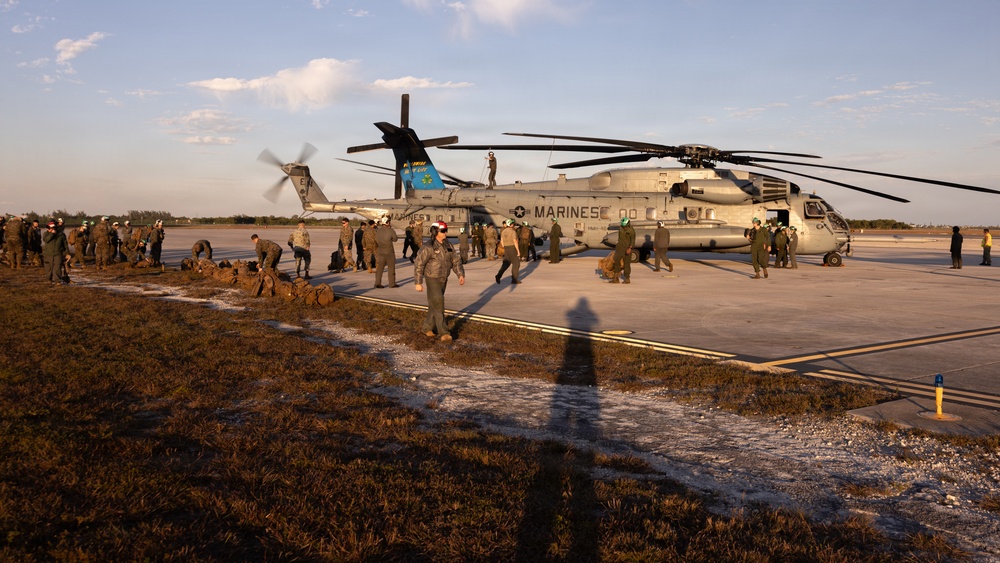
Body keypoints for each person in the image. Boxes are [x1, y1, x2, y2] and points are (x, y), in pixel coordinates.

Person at [414, 221, 465, 342]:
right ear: (435, 231)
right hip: (432, 278)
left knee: (435, 304)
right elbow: (419, 264)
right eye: (443, 231)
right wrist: (418, 282)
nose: (445, 233)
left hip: (443, 278)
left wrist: (460, 274)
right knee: (439, 303)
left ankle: (426, 327)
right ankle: (444, 332)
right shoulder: (428, 247)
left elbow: (456, 261)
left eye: (446, 230)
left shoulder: (448, 245)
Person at [374, 216, 399, 288]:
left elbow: (376, 240)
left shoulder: (378, 231)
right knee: (391, 268)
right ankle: (392, 283)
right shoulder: (390, 230)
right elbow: (395, 239)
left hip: (380, 252)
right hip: (389, 252)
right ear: (387, 223)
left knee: (379, 269)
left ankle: (377, 283)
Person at [495, 219, 522, 285]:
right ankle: (514, 279)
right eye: (513, 224)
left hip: (506, 248)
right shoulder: (513, 232)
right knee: (516, 264)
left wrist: (505, 247)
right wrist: (518, 251)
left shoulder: (503, 231)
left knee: (506, 264)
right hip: (512, 248)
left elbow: (501, 241)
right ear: (510, 224)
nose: (513, 225)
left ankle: (498, 275)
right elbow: (515, 241)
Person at [611, 217, 635, 284]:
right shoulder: (621, 228)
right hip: (619, 248)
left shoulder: (631, 231)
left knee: (627, 264)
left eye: (624, 225)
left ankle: (627, 278)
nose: (623, 226)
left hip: (627, 249)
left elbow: (633, 240)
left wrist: (630, 248)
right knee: (616, 261)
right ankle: (616, 278)